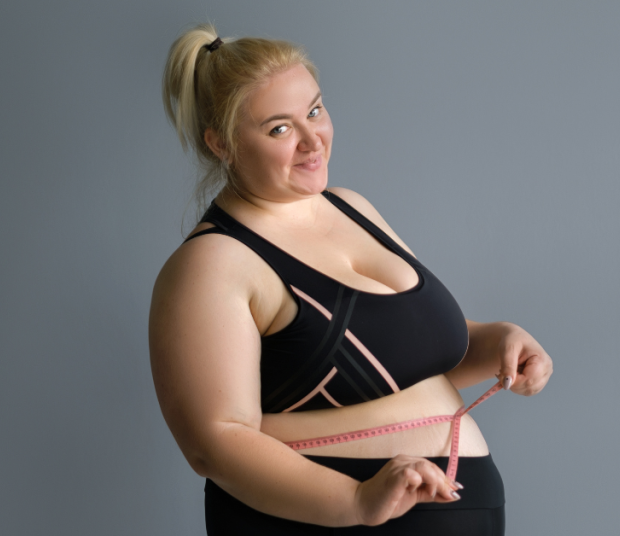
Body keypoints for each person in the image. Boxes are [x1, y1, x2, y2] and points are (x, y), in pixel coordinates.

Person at [149, 23, 553, 535]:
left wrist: (498, 341)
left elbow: (393, 358)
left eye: (314, 111)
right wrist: (358, 501)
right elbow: (214, 441)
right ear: (221, 144)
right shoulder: (212, 264)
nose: (311, 140)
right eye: (279, 129)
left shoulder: (350, 207)